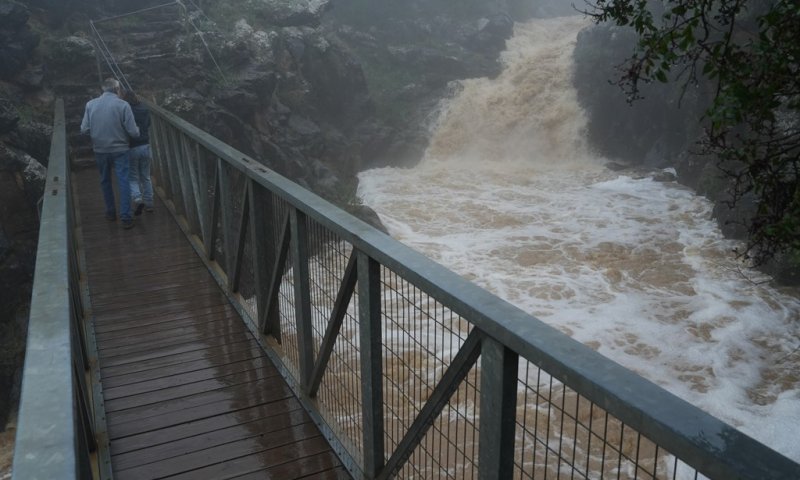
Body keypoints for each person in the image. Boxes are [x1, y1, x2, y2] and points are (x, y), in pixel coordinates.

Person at [80, 78, 140, 229]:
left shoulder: (90, 104)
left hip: (100, 149)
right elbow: (133, 132)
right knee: (123, 181)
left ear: (103, 90)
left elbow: (84, 129)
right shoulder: (123, 105)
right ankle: (126, 217)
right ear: (117, 90)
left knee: (105, 180)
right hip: (120, 149)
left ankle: (110, 213)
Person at [122, 90, 154, 215]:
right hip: (145, 145)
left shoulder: (126, 110)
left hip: (132, 146)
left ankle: (137, 198)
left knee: (133, 177)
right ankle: (150, 203)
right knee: (146, 176)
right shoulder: (144, 108)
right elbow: (149, 124)